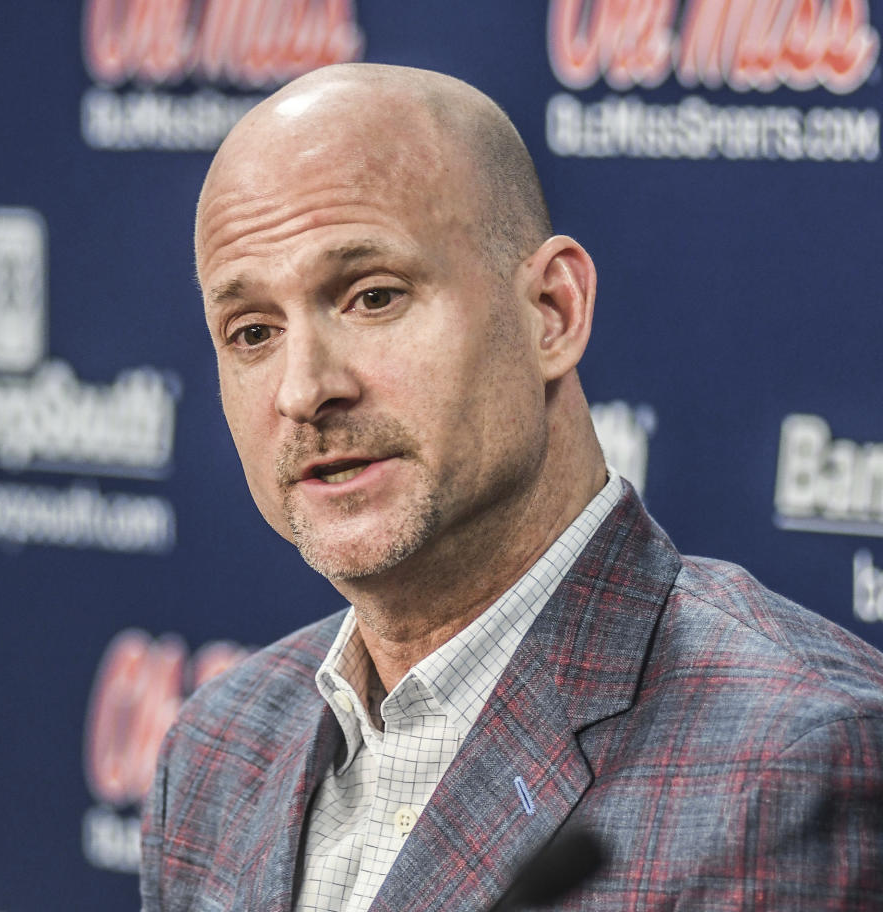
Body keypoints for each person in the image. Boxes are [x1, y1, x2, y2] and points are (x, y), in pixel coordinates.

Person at [140, 63, 883, 911]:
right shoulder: (216, 749)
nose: (304, 388)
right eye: (252, 332)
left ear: (551, 313)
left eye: (372, 296)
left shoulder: (795, 761)